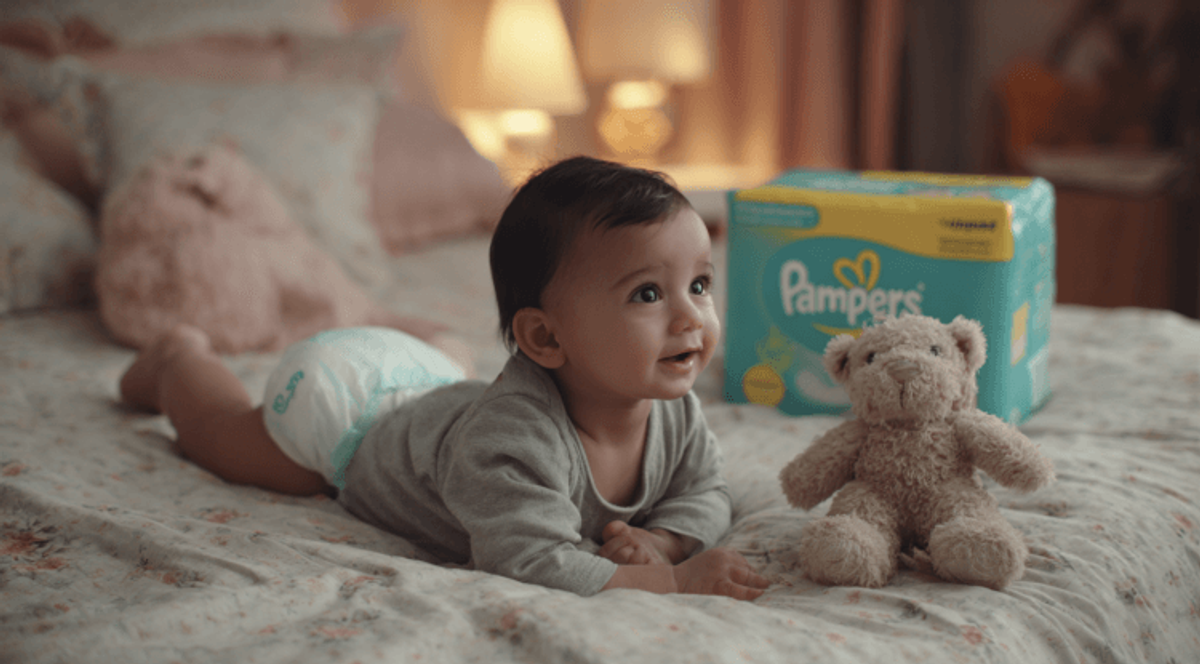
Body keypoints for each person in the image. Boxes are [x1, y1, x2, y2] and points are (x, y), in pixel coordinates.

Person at [119, 155, 770, 600]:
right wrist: (673, 582)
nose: (692, 317)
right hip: (350, 414)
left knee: (452, 380)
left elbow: (706, 491)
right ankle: (178, 358)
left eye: (700, 284)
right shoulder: (514, 440)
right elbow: (529, 561)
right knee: (224, 437)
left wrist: (663, 538)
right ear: (544, 337)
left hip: (431, 389)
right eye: (649, 295)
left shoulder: (672, 406)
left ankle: (417, 337)